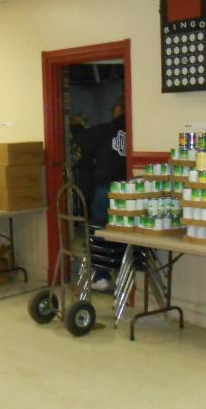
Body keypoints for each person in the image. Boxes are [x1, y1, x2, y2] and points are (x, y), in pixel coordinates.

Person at [71, 97, 127, 292]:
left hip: (107, 189)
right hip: (131, 193)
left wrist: (76, 127)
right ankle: (124, 277)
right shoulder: (138, 128)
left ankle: (102, 276)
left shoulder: (108, 129)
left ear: (119, 109)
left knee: (99, 231)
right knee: (124, 234)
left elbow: (83, 140)